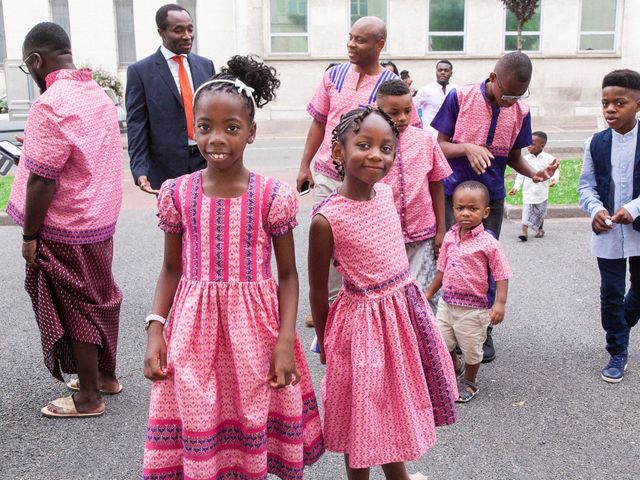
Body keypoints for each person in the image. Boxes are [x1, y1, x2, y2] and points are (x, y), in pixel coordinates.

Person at [142, 55, 324, 479]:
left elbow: (289, 274)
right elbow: (171, 270)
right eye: (205, 127)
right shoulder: (177, 193)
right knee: (199, 418)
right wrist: (156, 329)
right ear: (194, 129)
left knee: (251, 417)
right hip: (191, 333)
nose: (217, 138)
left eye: (232, 128)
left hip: (257, 335)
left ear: (252, 132)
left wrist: (284, 340)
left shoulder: (271, 196)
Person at [309, 106, 457, 480]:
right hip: (361, 329)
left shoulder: (386, 194)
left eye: (386, 148)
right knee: (363, 412)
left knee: (391, 406)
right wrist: (325, 342)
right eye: (364, 145)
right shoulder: (327, 220)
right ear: (338, 152)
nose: (376, 154)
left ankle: (399, 477)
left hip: (402, 317)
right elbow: (316, 289)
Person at [6, 22, 123, 417]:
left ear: (36, 60)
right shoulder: (97, 93)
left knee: (76, 305)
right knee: (100, 296)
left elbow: (41, 180)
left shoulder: (50, 104)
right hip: (100, 219)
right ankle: (105, 376)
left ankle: (89, 397)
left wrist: (29, 236)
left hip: (67, 225)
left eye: (28, 67)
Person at [431, 51, 557, 362]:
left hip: (493, 200)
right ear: (492, 78)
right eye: (507, 92)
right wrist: (467, 147)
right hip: (453, 197)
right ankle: (450, 328)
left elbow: (514, 157)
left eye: (519, 94)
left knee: (485, 264)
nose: (512, 100)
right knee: (452, 261)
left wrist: (533, 173)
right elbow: (438, 147)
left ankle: (482, 330)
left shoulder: (521, 111)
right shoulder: (459, 97)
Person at [297, 16, 417, 327]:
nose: (352, 45)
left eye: (360, 40)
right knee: (326, 239)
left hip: (367, 180)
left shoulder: (391, 88)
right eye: (350, 38)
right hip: (327, 172)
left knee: (360, 247)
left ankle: (361, 308)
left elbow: (403, 134)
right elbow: (319, 121)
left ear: (379, 45)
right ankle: (332, 308)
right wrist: (304, 165)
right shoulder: (333, 76)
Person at [578, 69, 640, 384]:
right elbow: (586, 186)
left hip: (638, 229)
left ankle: (622, 324)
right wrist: (596, 208)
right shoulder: (595, 143)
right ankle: (617, 349)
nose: (611, 109)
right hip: (608, 232)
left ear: (638, 104)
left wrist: (633, 207)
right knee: (611, 293)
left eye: (620, 102)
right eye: (605, 103)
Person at [425, 181, 512, 402]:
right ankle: (454, 367)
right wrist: (428, 294)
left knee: (472, 348)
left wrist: (499, 303)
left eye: (473, 209)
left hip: (474, 309)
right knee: (443, 341)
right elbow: (441, 271)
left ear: (485, 212)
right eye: (459, 208)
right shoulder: (449, 239)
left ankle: (470, 381)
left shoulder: (488, 243)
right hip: (447, 303)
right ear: (452, 209)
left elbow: (502, 273)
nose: (465, 214)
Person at [376, 79, 451, 307]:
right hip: (385, 236)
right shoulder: (371, 145)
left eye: (408, 111)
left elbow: (437, 184)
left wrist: (441, 230)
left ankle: (425, 341)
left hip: (423, 234)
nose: (402, 118)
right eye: (394, 112)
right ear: (378, 111)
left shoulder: (425, 140)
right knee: (391, 296)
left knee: (424, 296)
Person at [126, 3, 215, 193]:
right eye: (179, 30)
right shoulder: (140, 72)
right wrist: (140, 169)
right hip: (166, 170)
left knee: (207, 220)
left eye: (190, 29)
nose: (187, 36)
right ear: (161, 32)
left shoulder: (206, 66)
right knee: (174, 222)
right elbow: (137, 125)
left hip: (206, 163)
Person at [508, 131, 560, 241]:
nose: (529, 146)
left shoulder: (549, 158)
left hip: (542, 191)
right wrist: (516, 187)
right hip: (528, 191)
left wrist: (553, 180)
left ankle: (540, 228)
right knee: (526, 210)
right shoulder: (524, 159)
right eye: (528, 143)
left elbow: (555, 171)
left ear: (542, 145)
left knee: (540, 211)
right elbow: (520, 175)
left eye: (532, 144)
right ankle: (524, 230)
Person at [415, 60, 457, 138]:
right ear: (436, 72)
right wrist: (419, 127)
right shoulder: (425, 90)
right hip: (430, 135)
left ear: (451, 73)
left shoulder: (457, 90)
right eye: (440, 70)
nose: (442, 72)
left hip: (450, 137)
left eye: (446, 70)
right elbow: (413, 107)